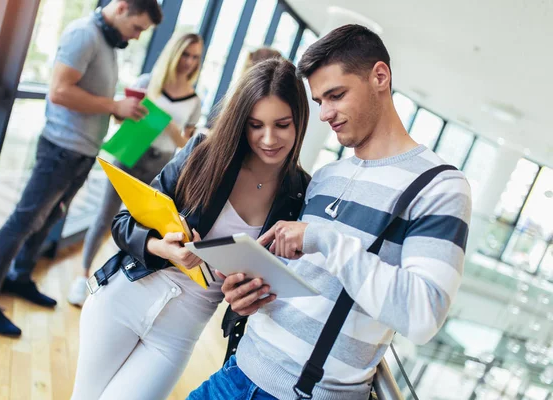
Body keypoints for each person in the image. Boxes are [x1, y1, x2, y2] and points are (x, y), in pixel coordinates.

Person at [188, 24, 472, 400]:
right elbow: (304, 280)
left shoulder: (440, 187)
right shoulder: (325, 176)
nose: (324, 113)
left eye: (336, 95)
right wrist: (249, 295)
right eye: (319, 100)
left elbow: (421, 317)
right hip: (238, 371)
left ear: (380, 77)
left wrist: (323, 239)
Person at [71, 58, 310, 400]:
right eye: (255, 125)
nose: (268, 139)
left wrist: (249, 297)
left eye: (282, 124)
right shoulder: (204, 152)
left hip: (179, 331)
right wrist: (163, 248)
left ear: (299, 120)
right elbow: (123, 223)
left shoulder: (299, 194)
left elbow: (282, 286)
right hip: (124, 297)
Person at [0, 0, 162, 336]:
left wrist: (115, 110)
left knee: (49, 216)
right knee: (24, 220)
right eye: (137, 27)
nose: (138, 36)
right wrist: (113, 104)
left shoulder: (105, 40)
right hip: (60, 150)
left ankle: (19, 276)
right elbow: (58, 91)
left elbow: (85, 93)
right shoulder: (83, 34)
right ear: (123, 7)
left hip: (80, 151)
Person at [67, 32, 204, 307]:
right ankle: (81, 276)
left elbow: (187, 144)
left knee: (138, 227)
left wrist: (166, 124)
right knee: (106, 216)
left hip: (160, 165)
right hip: (131, 156)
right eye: (186, 54)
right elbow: (121, 118)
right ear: (174, 53)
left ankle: (113, 280)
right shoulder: (147, 82)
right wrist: (132, 113)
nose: (189, 61)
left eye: (195, 57)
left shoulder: (194, 101)